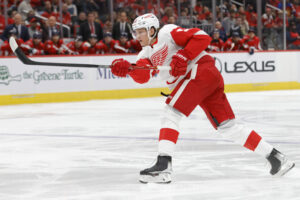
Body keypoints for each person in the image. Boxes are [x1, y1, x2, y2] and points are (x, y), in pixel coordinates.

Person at [109, 13, 295, 184]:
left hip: (200, 71)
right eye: (136, 32)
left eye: (140, 32)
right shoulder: (145, 54)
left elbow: (202, 37)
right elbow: (143, 75)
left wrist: (184, 55)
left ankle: (164, 165)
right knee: (227, 127)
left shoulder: (167, 32)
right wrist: (129, 69)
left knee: (171, 112)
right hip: (204, 78)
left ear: (151, 29)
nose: (137, 36)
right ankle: (276, 158)